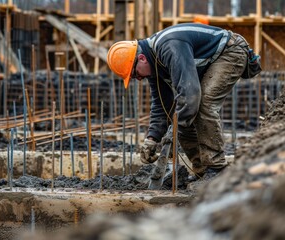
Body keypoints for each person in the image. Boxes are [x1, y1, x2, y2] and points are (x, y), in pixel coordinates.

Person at [107, 23, 260, 180]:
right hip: (213, 60)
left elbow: (190, 95)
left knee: (201, 105)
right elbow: (162, 106)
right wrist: (152, 138)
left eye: (134, 74)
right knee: (182, 117)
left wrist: (174, 129)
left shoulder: (169, 46)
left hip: (230, 51)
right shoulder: (154, 67)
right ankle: (202, 170)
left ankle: (216, 168)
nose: (138, 79)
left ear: (141, 58)